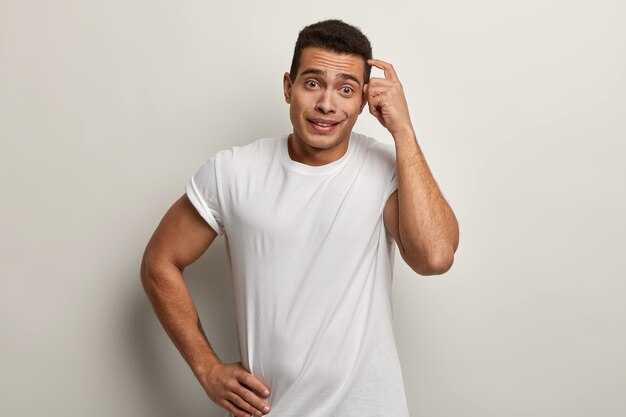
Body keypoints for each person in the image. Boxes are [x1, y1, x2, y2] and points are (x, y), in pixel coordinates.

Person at [140, 19, 459, 417]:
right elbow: (160, 261)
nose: (327, 103)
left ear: (363, 100)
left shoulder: (385, 169)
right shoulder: (233, 171)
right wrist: (206, 368)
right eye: (313, 83)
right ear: (288, 87)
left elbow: (435, 256)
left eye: (345, 89)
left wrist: (404, 131)